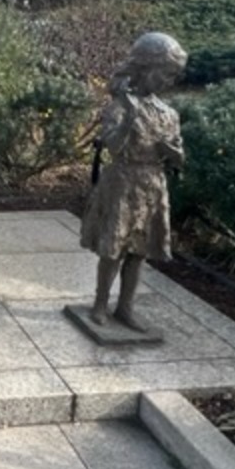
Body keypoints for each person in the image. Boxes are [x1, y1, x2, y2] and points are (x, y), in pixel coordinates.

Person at [79, 32, 187, 330]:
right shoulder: (119, 106)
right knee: (113, 248)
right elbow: (112, 146)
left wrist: (173, 152)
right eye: (164, 73)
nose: (168, 81)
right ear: (145, 68)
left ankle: (125, 307)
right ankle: (100, 304)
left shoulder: (168, 114)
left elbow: (179, 159)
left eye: (173, 75)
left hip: (152, 184)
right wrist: (129, 119)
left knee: (139, 251)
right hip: (123, 182)